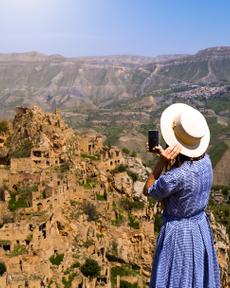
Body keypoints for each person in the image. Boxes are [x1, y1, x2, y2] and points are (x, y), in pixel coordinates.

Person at [143, 103, 221, 288]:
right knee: (196, 278)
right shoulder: (207, 162)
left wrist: (161, 163)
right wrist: (168, 159)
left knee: (176, 278)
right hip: (199, 228)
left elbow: (149, 189)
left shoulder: (176, 177)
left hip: (178, 235)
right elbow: (185, 178)